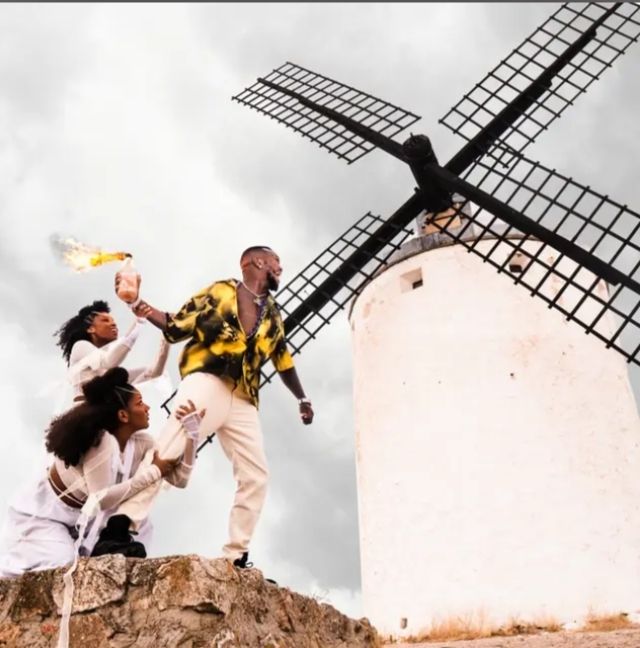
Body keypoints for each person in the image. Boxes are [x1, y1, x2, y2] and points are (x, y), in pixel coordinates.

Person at [92, 246, 314, 568]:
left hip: (244, 399)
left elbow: (283, 361)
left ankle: (236, 555)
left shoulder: (273, 314)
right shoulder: (219, 292)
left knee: (256, 474)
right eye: (275, 262)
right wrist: (136, 302)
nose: (280, 268)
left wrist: (302, 398)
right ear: (257, 262)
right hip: (207, 380)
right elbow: (175, 326)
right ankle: (119, 527)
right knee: (171, 446)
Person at [0, 368, 202, 577]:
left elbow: (179, 479)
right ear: (123, 415)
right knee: (63, 567)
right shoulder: (100, 441)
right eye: (140, 403)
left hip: (83, 520)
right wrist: (153, 472)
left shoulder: (142, 443)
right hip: (46, 516)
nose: (147, 407)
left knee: (143, 528)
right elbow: (100, 499)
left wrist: (192, 435)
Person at [54, 300, 169, 401]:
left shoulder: (107, 367)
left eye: (113, 321)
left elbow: (153, 373)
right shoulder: (80, 346)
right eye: (105, 320)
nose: (113, 324)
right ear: (91, 329)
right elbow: (110, 360)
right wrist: (139, 321)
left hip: (104, 415)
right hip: (85, 416)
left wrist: (167, 336)